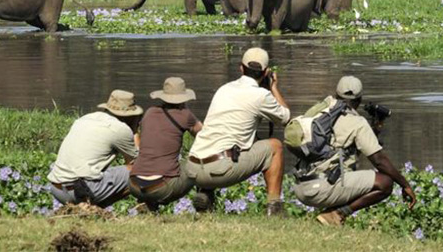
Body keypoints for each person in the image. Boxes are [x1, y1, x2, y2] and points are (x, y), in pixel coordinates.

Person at [292, 75, 417, 226]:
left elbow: (343, 152)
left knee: (346, 172)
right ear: (359, 101)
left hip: (300, 187)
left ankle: (328, 215)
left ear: (336, 94)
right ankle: (337, 214)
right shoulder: (358, 123)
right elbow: (379, 161)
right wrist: (405, 184)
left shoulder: (319, 112)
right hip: (321, 190)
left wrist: (374, 131)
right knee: (385, 183)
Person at [184, 47, 290, 216]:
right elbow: (286, 118)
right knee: (275, 147)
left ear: (241, 68)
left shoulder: (223, 89)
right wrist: (274, 87)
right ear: (266, 72)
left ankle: (206, 195)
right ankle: (274, 208)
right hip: (219, 170)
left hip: (193, 168)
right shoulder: (262, 95)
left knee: (217, 140)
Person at [48, 89, 142, 207]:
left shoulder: (85, 118)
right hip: (80, 191)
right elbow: (138, 164)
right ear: (131, 116)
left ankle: (90, 209)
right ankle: (90, 207)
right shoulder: (120, 129)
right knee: (139, 172)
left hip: (57, 189)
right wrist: (134, 131)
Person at [128, 77, 202, 211]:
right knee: (197, 166)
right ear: (183, 98)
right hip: (162, 186)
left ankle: (149, 205)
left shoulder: (150, 112)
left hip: (134, 184)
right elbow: (203, 134)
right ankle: (204, 202)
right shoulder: (185, 115)